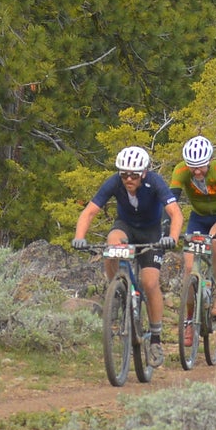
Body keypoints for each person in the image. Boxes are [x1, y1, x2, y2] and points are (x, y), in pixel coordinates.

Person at [73, 146, 184, 356]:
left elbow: (175, 213)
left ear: (143, 172)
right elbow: (89, 212)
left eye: (133, 175)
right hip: (125, 225)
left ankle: (156, 338)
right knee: (112, 244)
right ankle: (117, 289)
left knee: (150, 282)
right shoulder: (114, 182)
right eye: (124, 174)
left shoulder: (155, 182)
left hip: (151, 231)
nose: (128, 179)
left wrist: (172, 238)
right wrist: (79, 238)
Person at [170, 135, 216, 317]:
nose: (197, 171)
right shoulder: (181, 170)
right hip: (198, 218)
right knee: (189, 268)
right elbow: (171, 201)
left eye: (201, 166)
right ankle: (190, 319)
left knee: (215, 242)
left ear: (209, 161)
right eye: (192, 166)